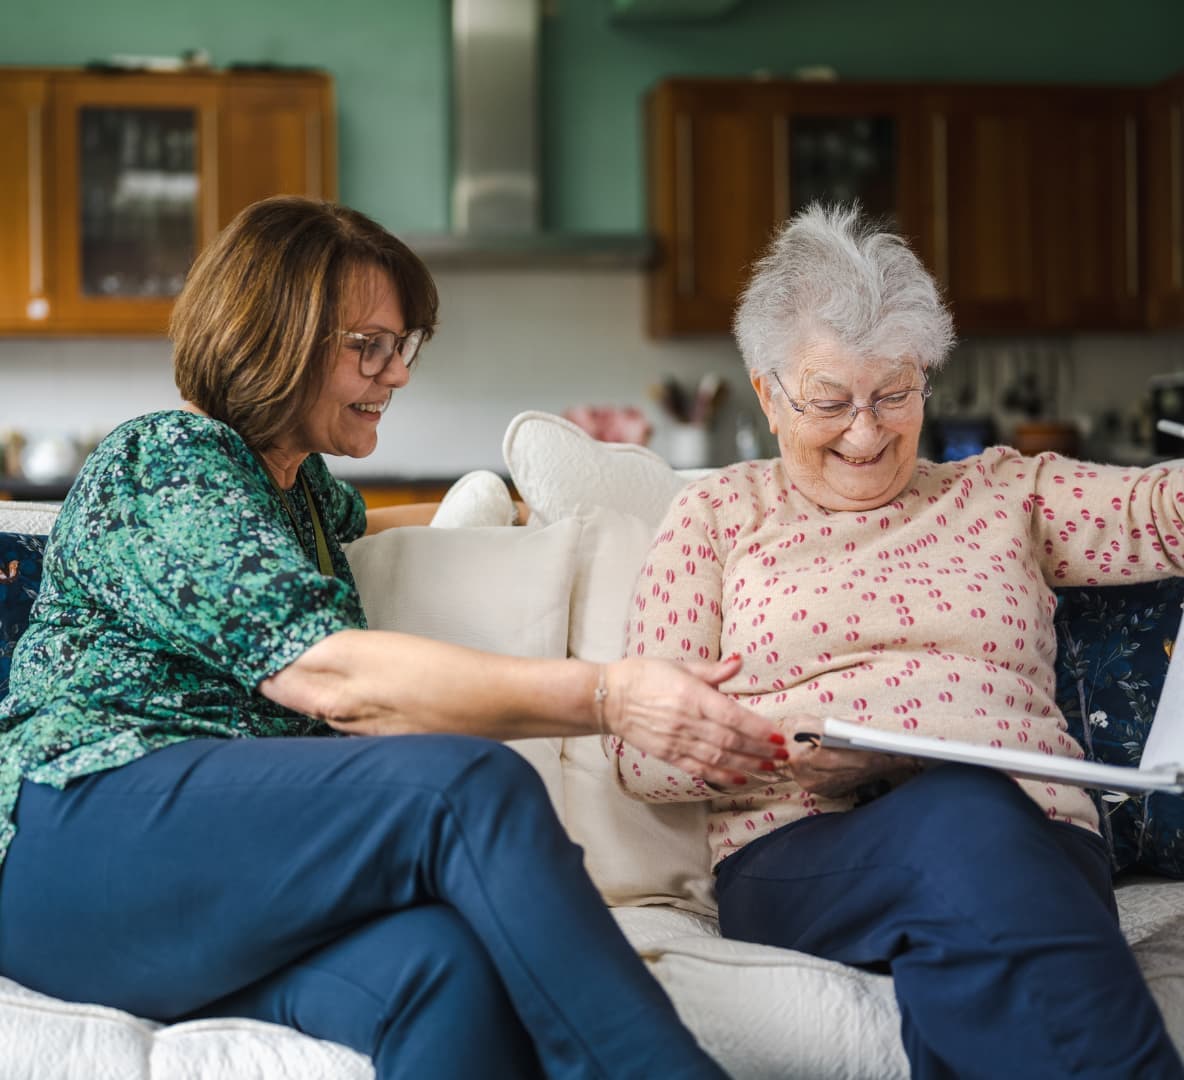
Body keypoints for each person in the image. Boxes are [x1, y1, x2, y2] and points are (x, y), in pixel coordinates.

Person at [0, 195, 791, 1080]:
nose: (398, 372)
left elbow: (373, 526)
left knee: (440, 969)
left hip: (199, 887)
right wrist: (611, 695)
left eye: (403, 345)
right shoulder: (169, 461)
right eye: (368, 346)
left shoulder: (292, 491)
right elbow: (331, 676)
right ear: (275, 337)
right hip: (85, 841)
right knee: (464, 785)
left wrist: (530, 512)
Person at [607, 202, 1184, 1078]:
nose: (867, 431)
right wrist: (780, 745)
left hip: (1038, 836)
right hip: (805, 850)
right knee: (965, 817)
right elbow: (641, 754)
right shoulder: (720, 516)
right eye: (831, 400)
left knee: (974, 906)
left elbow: (1167, 516)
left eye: (894, 394)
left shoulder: (1004, 494)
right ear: (768, 395)